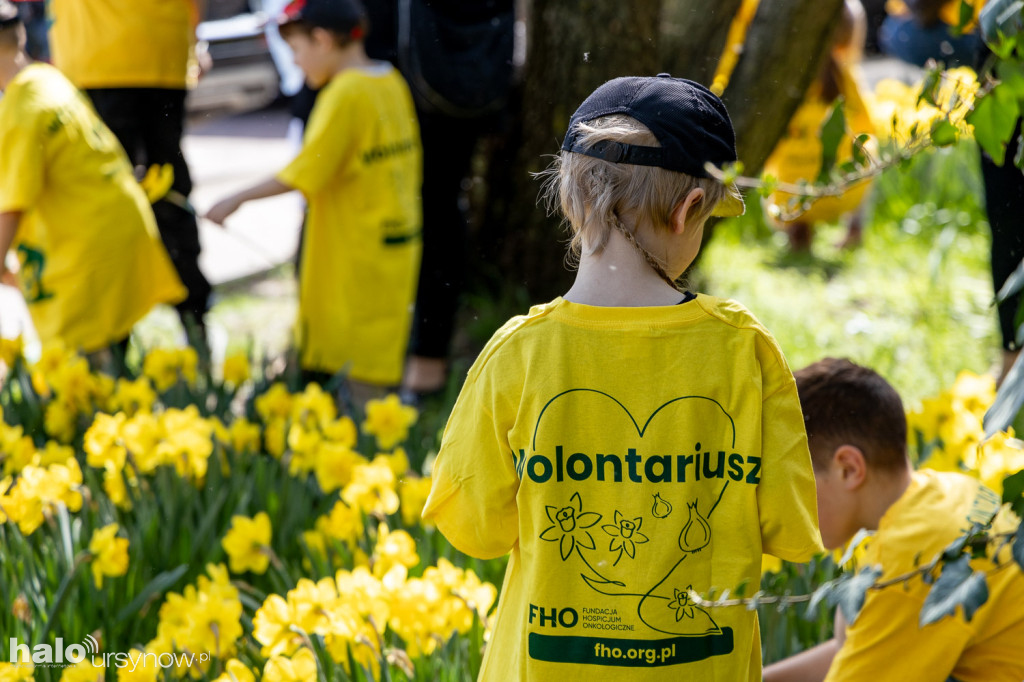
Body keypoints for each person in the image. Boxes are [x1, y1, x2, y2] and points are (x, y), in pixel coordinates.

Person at [421, 75, 824, 680]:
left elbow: (476, 530)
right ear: (690, 209)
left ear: (569, 199)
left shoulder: (518, 354)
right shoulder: (746, 350)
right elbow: (786, 529)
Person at [205, 0, 422, 408]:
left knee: (351, 363)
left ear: (322, 40)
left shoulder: (345, 93)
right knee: (379, 344)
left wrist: (233, 200)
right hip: (395, 244)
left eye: (297, 51)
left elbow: (306, 171)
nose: (297, 64)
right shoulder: (389, 80)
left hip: (352, 255)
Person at [763, 358, 1024, 682]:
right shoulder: (947, 490)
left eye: (787, 483)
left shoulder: (907, 561)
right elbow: (866, 650)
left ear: (849, 468)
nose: (775, 502)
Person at [0, 2, 186, 367]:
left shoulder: (22, 110)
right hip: (111, 240)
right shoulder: (47, 79)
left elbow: (11, 206)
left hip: (85, 261)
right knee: (109, 367)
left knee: (86, 383)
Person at [47, 0, 212, 353]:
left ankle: (112, 346)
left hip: (95, 57)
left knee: (104, 200)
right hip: (161, 53)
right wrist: (194, 39)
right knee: (168, 190)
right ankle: (196, 327)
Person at [761, 0, 876, 251]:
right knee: (870, 150)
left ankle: (797, 229)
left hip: (789, 198)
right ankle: (854, 229)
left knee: (774, 159)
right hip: (840, 193)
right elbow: (870, 125)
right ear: (850, 33)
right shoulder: (845, 77)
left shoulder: (785, 76)